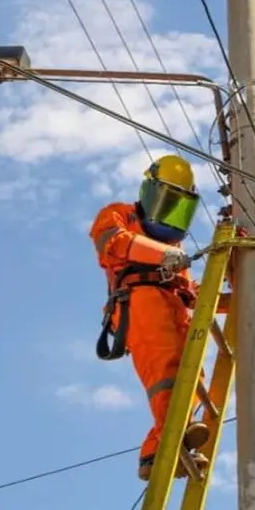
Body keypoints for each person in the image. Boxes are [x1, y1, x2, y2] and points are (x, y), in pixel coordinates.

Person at [90, 155, 212, 481]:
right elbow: (115, 243)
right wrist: (163, 254)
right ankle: (174, 433)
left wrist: (228, 291)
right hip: (138, 298)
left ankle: (157, 449)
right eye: (166, 200)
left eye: (178, 206)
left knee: (192, 371)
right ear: (150, 191)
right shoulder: (118, 214)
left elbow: (190, 292)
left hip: (172, 304)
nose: (169, 212)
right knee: (165, 364)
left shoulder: (174, 248)